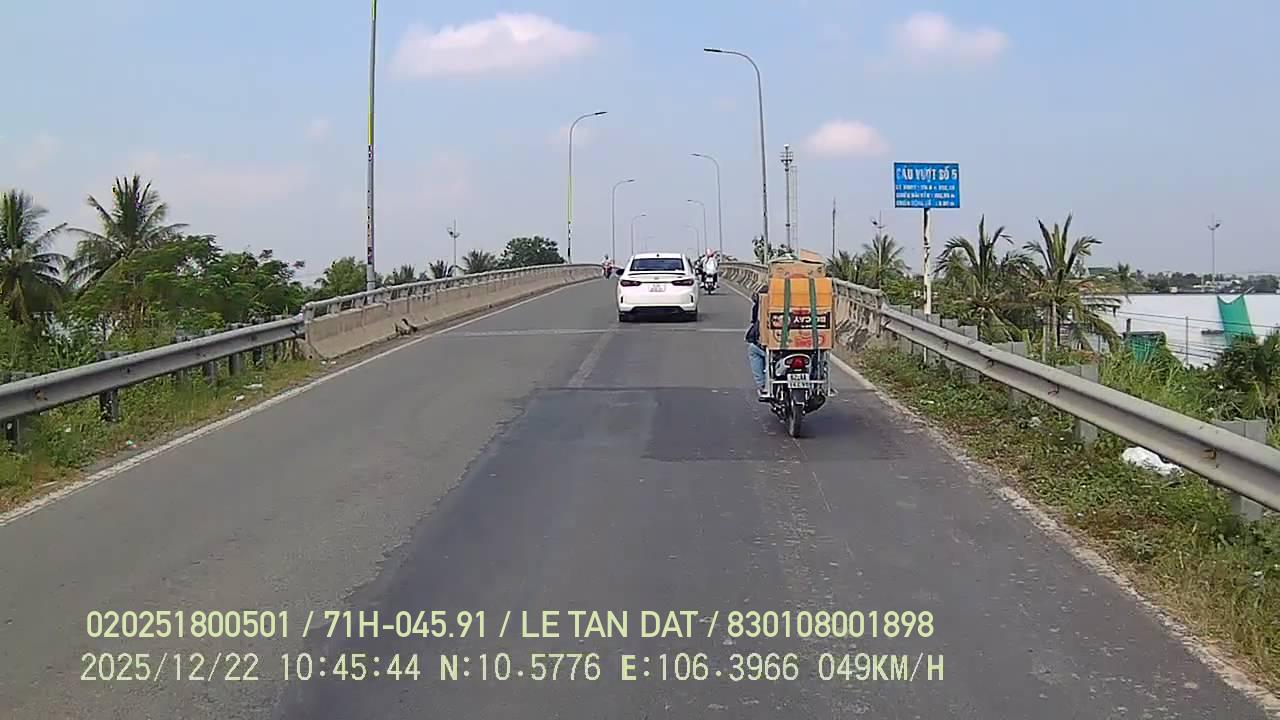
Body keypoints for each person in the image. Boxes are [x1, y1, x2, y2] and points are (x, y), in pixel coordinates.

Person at [745, 281, 770, 399]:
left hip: (772, 346)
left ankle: (762, 385)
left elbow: (755, 320)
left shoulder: (766, 295)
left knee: (753, 350)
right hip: (806, 345)